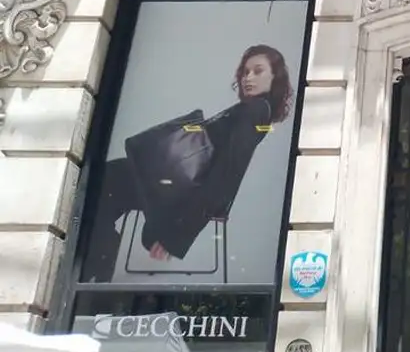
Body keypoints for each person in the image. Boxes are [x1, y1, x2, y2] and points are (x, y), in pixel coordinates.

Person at [81, 45, 294, 282]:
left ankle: (96, 268)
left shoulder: (256, 111)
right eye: (245, 72)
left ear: (275, 78)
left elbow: (228, 172)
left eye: (258, 71)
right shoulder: (251, 111)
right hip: (171, 181)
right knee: (103, 187)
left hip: (177, 186)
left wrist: (178, 234)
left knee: (101, 185)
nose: (248, 78)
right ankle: (98, 265)